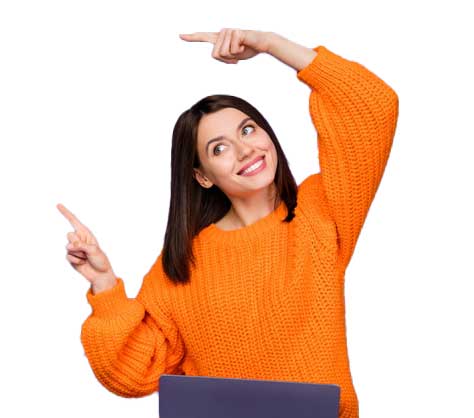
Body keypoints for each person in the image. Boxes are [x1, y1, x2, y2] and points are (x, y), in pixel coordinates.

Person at [58, 29, 399, 418]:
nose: (245, 150)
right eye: (219, 148)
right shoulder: (185, 263)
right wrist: (104, 284)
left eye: (248, 129)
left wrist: (272, 45)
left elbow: (373, 105)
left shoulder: (319, 212)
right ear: (203, 176)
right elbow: (133, 374)